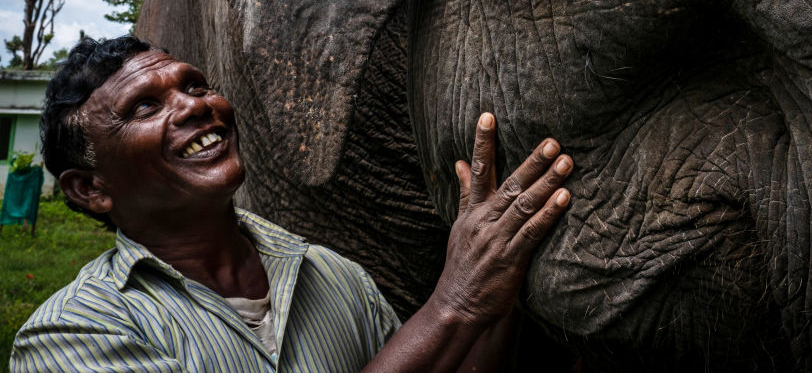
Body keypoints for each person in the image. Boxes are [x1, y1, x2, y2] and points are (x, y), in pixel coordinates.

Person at [10, 36, 574, 372]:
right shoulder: (71, 335)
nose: (196, 107)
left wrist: (498, 271)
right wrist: (454, 303)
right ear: (90, 189)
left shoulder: (335, 276)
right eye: (143, 108)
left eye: (196, 85)